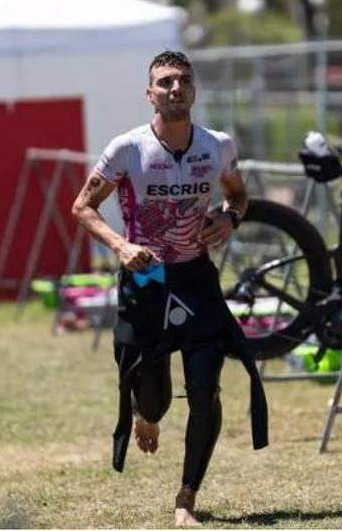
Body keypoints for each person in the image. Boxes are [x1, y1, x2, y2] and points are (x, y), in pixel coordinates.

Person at [72, 50, 267, 526]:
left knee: (206, 388)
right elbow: (82, 206)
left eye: (183, 81)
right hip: (148, 280)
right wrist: (120, 246)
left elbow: (237, 194)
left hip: (197, 277)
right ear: (150, 94)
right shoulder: (127, 149)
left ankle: (187, 497)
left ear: (194, 91)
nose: (175, 88)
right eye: (164, 82)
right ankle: (147, 411)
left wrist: (229, 218)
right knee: (153, 395)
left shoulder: (216, 145)